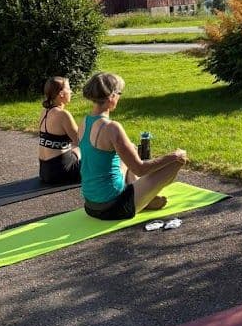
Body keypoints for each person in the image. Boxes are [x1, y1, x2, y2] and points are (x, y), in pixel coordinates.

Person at [79, 71, 187, 220]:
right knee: (177, 161)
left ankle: (141, 195)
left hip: (91, 206)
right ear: (111, 97)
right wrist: (173, 155)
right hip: (114, 208)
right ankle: (144, 199)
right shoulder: (112, 127)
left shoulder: (84, 122)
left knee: (130, 152)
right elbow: (140, 169)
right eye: (119, 93)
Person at [38, 76, 81, 185]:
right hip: (61, 172)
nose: (71, 91)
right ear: (61, 94)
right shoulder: (63, 114)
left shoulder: (44, 111)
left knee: (76, 151)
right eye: (69, 88)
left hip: (44, 171)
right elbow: (80, 141)